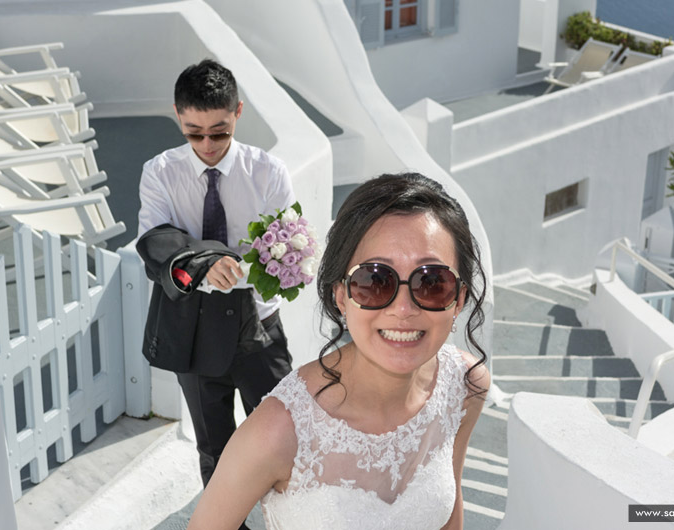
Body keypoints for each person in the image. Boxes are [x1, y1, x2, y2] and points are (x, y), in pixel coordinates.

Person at [187, 173, 491, 530]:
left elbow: (450, 513)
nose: (404, 309)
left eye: (432, 282)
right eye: (375, 281)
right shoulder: (278, 430)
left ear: (459, 299)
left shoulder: (466, 385)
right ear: (342, 295)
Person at [136, 59, 294, 526]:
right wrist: (211, 263)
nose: (206, 145)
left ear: (238, 112)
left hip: (259, 332)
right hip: (195, 332)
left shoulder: (268, 172)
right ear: (178, 117)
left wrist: (234, 268)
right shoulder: (159, 172)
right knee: (215, 450)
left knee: (286, 441)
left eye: (219, 132)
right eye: (193, 132)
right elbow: (155, 245)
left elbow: (283, 259)